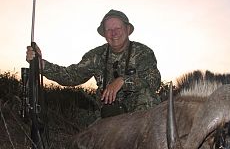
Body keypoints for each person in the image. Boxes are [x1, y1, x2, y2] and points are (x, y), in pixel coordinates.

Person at [26, 9, 161, 118]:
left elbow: (154, 81)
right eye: (108, 30)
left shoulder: (143, 52)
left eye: (118, 28)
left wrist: (123, 81)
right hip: (107, 114)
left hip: (138, 115)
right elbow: (72, 76)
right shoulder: (96, 55)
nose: (113, 33)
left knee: (148, 96)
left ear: (127, 29)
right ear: (104, 34)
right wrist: (41, 64)